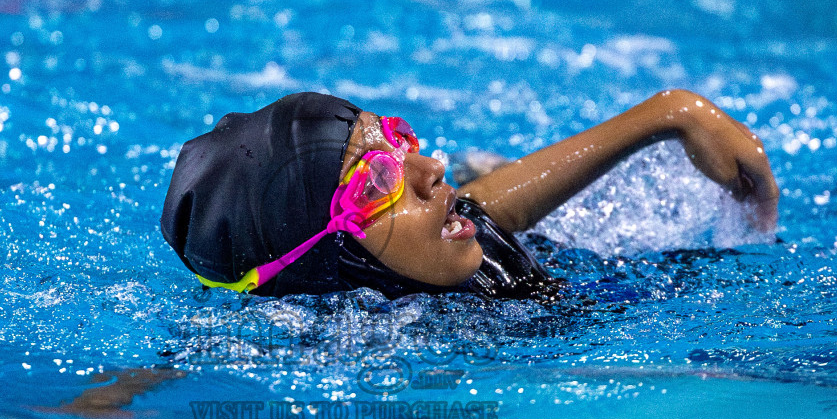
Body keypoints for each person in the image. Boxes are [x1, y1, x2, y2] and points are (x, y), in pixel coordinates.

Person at [161, 89, 779, 300]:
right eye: (379, 181)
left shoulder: (423, 250)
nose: (429, 172)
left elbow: (488, 208)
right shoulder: (364, 355)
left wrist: (671, 114)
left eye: (399, 142)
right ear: (314, 255)